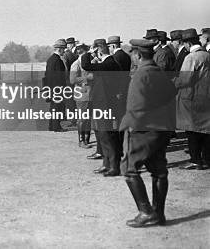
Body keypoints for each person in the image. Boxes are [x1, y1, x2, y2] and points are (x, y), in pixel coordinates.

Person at [120, 39, 176, 227]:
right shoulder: (159, 72)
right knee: (159, 172)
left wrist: (129, 126)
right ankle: (159, 214)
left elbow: (135, 107)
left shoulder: (140, 75)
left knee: (129, 170)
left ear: (137, 55)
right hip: (161, 129)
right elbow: (171, 93)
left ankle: (145, 212)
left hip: (142, 130)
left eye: (132, 55)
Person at [81, 38, 122, 176]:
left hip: (105, 104)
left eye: (95, 49)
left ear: (99, 49)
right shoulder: (106, 63)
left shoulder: (110, 63)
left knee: (108, 135)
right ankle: (106, 164)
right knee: (102, 135)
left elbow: (86, 65)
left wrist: (88, 53)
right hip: (101, 103)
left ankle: (114, 166)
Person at [173, 28, 210, 170]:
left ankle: (195, 160)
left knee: (192, 130)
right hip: (206, 97)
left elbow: (185, 80)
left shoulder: (191, 58)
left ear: (187, 43)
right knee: (206, 130)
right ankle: (207, 159)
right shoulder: (207, 55)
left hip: (192, 98)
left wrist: (174, 81)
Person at [70, 43, 92, 148]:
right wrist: (88, 78)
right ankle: (81, 140)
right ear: (79, 52)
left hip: (90, 93)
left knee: (88, 118)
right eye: (85, 51)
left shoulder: (89, 62)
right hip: (81, 94)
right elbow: (72, 79)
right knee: (82, 118)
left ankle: (87, 139)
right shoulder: (76, 64)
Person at [44, 39, 68, 132]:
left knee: (53, 108)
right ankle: (56, 127)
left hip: (51, 88)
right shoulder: (58, 61)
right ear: (60, 49)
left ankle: (51, 126)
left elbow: (47, 75)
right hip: (57, 89)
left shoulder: (50, 59)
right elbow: (59, 77)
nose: (64, 51)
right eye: (63, 49)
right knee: (57, 108)